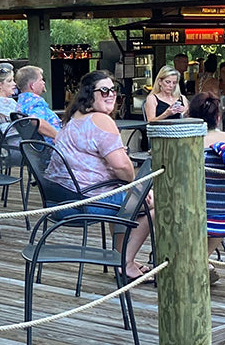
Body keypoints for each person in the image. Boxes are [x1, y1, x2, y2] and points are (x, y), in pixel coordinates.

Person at [47, 70, 155, 281]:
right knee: (155, 203)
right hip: (84, 201)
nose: (111, 94)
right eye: (103, 90)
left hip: (61, 199)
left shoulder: (72, 119)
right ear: (89, 93)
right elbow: (123, 168)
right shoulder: (101, 120)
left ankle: (120, 256)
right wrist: (137, 188)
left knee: (125, 197)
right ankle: (125, 262)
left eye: (113, 89)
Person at [188, 92, 225, 284]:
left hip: (191, 205)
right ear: (218, 117)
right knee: (221, 209)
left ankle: (196, 259)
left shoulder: (186, 141)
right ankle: (203, 259)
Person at [14, 65, 61, 141]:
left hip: (38, 148)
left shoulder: (22, 101)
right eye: (41, 80)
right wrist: (58, 136)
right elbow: (36, 121)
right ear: (32, 85)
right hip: (53, 147)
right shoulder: (34, 102)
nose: (43, 82)